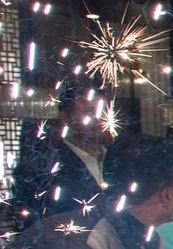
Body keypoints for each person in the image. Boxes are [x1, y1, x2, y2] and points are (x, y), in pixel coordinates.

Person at [8, 78, 111, 230]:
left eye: (104, 111)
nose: (98, 119)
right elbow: (33, 233)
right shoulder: (40, 170)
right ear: (65, 117)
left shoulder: (122, 161)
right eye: (89, 111)